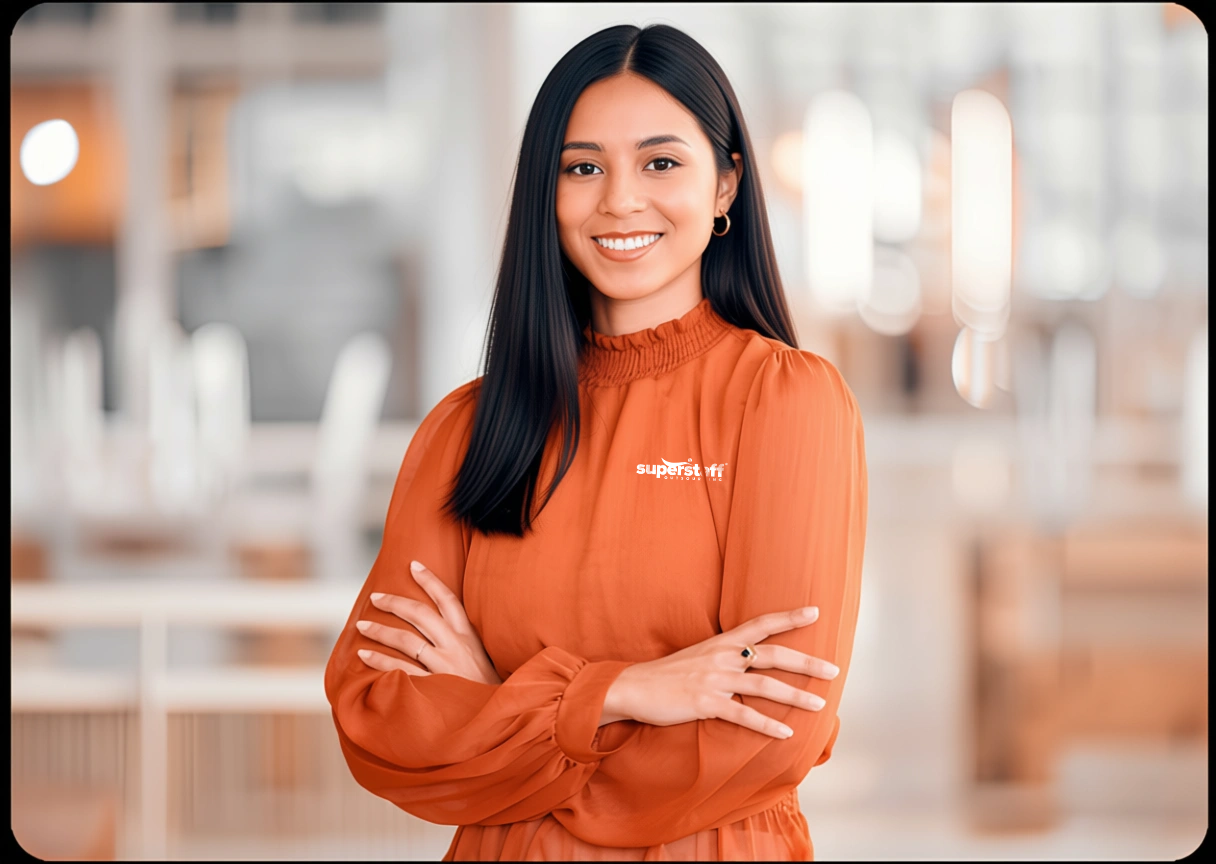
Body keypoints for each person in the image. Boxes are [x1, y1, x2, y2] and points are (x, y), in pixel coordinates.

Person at [324, 22, 867, 861]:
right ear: (547, 191)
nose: (619, 200)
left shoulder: (785, 403)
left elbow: (773, 730)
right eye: (583, 167)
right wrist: (628, 693)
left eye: (661, 162)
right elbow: (379, 718)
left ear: (726, 185)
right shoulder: (467, 432)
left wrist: (503, 711)